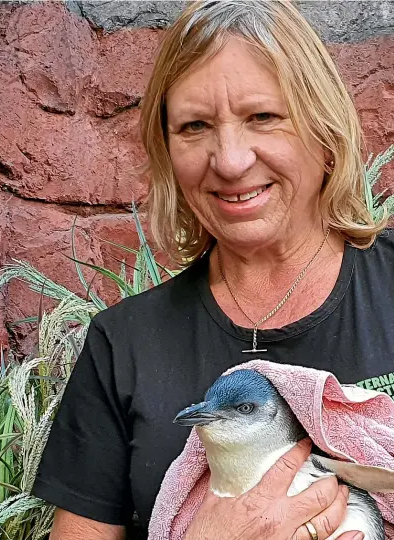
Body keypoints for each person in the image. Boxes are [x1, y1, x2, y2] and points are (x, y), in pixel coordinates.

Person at [32, 1, 394, 539]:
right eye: (195, 126)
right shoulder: (123, 345)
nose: (228, 160)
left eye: (263, 117)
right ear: (167, 152)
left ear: (324, 129)